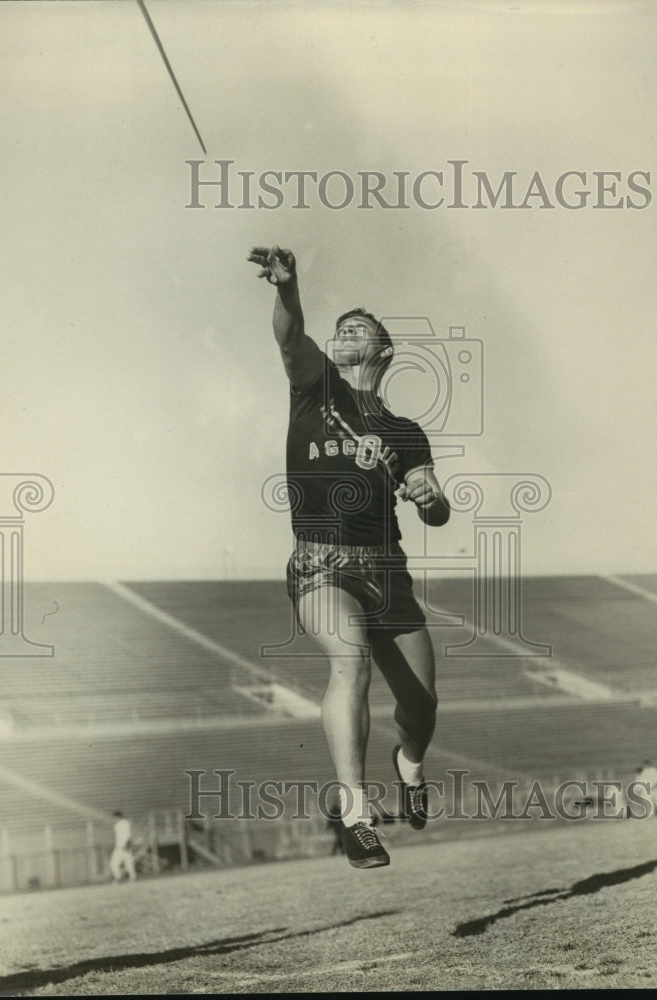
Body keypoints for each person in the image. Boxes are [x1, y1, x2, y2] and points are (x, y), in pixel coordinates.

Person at [247, 245, 451, 868]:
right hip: (321, 562)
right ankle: (357, 814)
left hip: (386, 566)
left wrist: (427, 495)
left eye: (357, 330)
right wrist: (287, 290)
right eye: (339, 330)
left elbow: (437, 509)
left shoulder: (406, 431)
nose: (343, 336)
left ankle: (409, 766)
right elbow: (290, 338)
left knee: (422, 706)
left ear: (383, 349)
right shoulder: (315, 386)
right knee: (349, 661)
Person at [109, 810, 137, 883]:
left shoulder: (123, 823)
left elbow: (128, 835)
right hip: (121, 846)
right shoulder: (121, 823)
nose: (112, 819)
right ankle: (130, 878)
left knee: (115, 863)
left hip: (123, 846)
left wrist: (127, 844)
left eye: (113, 817)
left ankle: (121, 878)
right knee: (127, 863)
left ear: (117, 817)